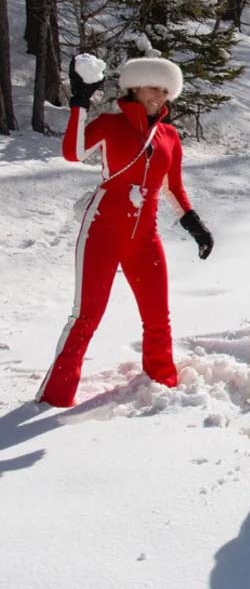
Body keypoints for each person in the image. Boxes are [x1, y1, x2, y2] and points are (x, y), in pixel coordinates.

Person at [36, 56, 214, 407]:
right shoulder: (110, 124)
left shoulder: (169, 135)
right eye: (153, 87)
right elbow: (72, 153)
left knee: (157, 316)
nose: (159, 96)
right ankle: (55, 397)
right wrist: (80, 102)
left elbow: (173, 187)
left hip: (145, 237)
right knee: (86, 317)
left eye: (166, 90)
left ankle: (163, 383)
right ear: (134, 87)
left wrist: (195, 224)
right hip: (102, 230)